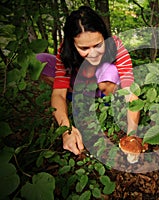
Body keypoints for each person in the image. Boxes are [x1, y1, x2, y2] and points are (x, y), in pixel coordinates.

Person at [37, 6, 139, 155]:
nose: (93, 53)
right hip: (78, 84)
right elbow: (58, 94)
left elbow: (131, 92)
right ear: (72, 44)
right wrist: (66, 130)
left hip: (102, 84)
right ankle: (76, 97)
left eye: (98, 45)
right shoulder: (65, 50)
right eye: (84, 48)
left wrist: (132, 134)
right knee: (40, 60)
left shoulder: (115, 45)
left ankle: (104, 101)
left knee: (109, 71)